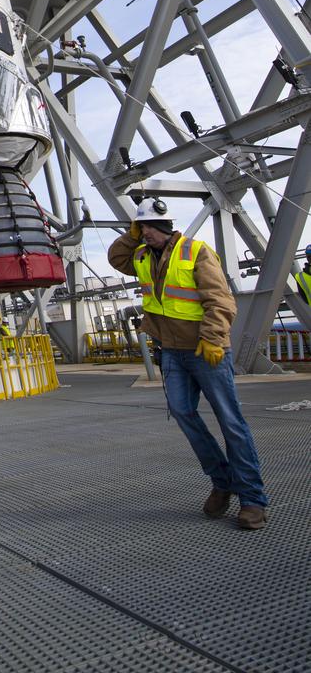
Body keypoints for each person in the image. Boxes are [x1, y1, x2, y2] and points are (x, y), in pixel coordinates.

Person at [109, 197, 268, 529]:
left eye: (150, 228)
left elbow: (220, 299)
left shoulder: (196, 252)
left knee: (231, 422)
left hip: (204, 350)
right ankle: (222, 480)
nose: (146, 234)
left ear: (165, 228)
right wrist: (132, 233)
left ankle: (252, 499)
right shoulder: (139, 255)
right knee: (183, 413)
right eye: (143, 229)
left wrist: (212, 339)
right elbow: (116, 257)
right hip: (171, 352)